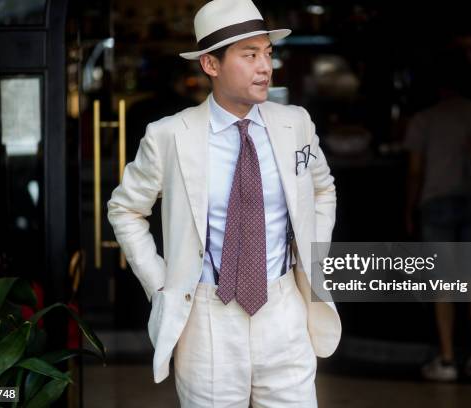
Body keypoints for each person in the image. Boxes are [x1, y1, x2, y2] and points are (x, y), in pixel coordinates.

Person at [107, 0, 342, 405]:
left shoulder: (295, 124)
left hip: (284, 308)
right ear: (210, 65)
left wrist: (312, 255)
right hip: (207, 317)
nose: (265, 67)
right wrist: (161, 284)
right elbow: (125, 209)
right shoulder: (169, 135)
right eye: (249, 55)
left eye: (268, 53)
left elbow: (323, 188)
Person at [404, 58, 471, 382]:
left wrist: (408, 210)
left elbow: (414, 172)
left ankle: (448, 359)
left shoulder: (424, 119)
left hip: (435, 203)